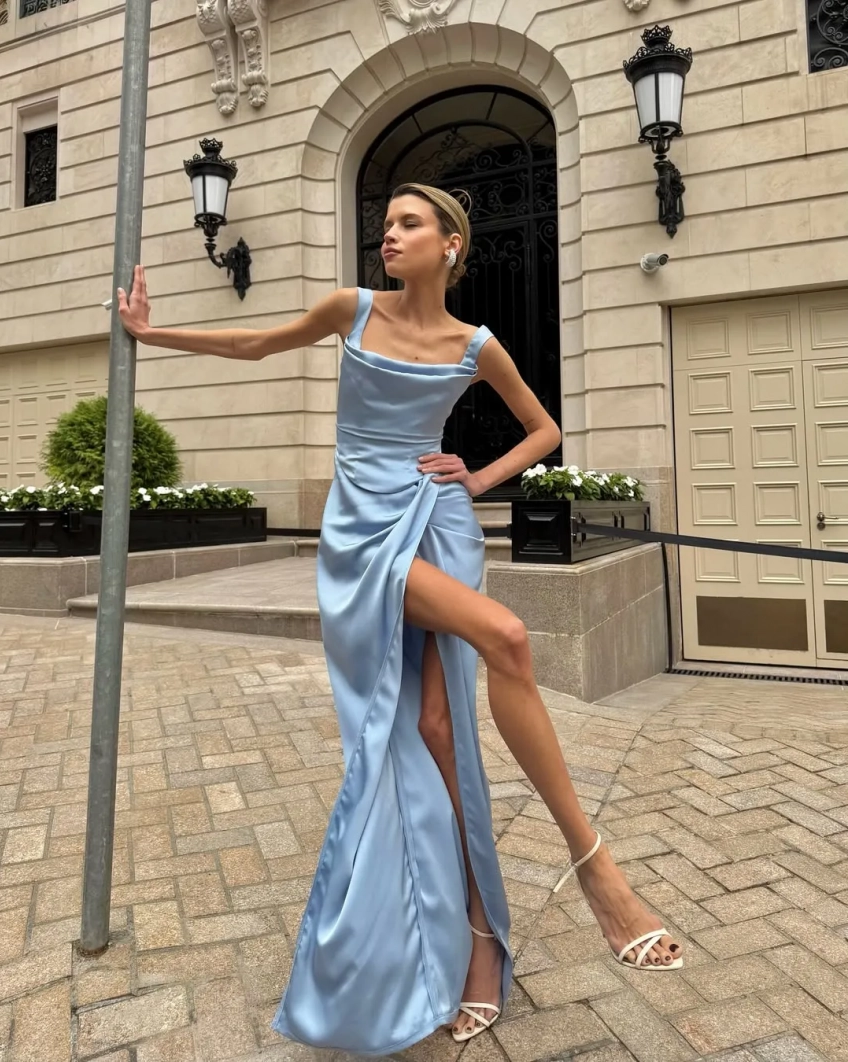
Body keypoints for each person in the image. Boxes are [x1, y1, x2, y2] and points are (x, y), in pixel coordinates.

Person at [118, 183, 682, 1057]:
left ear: (451, 244)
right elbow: (255, 342)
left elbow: (544, 429)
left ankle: (481, 941)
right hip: (360, 535)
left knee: (439, 730)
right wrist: (153, 336)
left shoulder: (475, 344)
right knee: (507, 636)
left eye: (408, 224)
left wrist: (478, 478)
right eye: (385, 224)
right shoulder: (352, 309)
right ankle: (597, 869)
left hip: (439, 522)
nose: (389, 236)